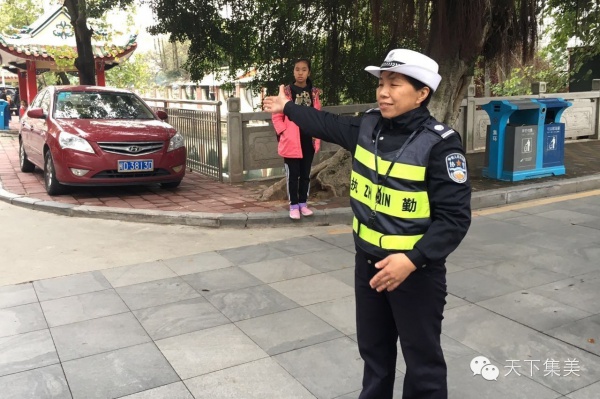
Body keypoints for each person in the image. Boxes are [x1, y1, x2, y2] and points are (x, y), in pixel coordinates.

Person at [263, 48, 471, 398]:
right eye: (382, 83)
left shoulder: (440, 145)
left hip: (414, 273)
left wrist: (412, 259)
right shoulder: (369, 125)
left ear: (422, 94)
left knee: (423, 363)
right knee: (374, 355)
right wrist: (288, 108)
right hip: (369, 264)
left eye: (395, 84)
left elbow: (454, 218)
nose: (384, 92)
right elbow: (326, 123)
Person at [271, 58, 321, 220]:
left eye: (304, 69)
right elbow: (277, 116)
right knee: (293, 175)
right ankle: (293, 205)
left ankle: (303, 204)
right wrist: (284, 132)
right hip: (292, 140)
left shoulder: (314, 93)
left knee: (306, 174)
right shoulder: (286, 92)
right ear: (293, 72)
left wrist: (318, 136)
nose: (300, 73)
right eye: (297, 69)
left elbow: (318, 115)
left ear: (309, 72)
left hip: (309, 138)